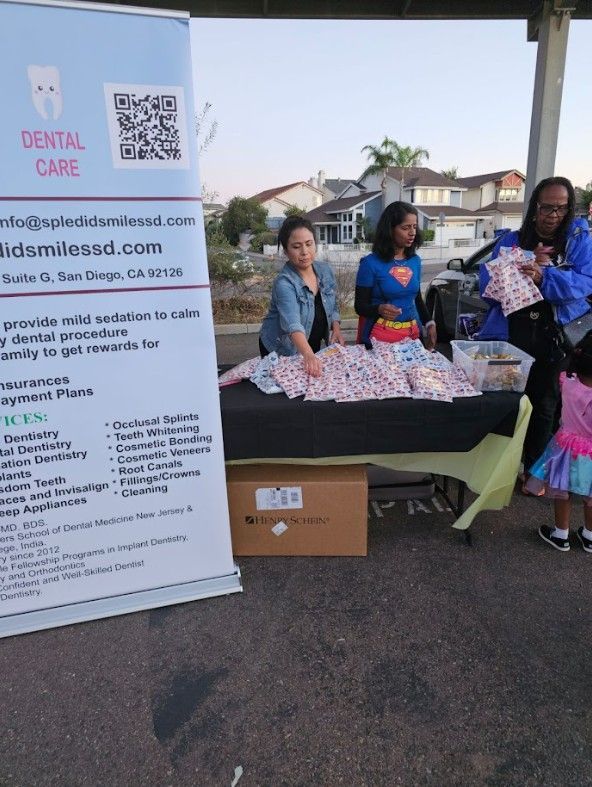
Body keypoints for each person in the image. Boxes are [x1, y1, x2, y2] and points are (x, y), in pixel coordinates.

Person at [479, 176, 592, 488]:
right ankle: (502, 469)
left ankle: (534, 470)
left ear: (569, 210)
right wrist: (509, 277)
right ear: (534, 208)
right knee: (507, 400)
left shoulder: (578, 242)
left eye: (560, 208)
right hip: (513, 331)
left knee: (544, 404)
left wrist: (545, 278)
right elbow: (486, 288)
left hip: (554, 334)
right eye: (546, 208)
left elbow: (585, 283)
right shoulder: (510, 241)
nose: (552, 215)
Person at [525, 331, 592, 553]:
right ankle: (590, 536)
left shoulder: (568, 383)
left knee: (562, 490)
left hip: (565, 448)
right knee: (591, 494)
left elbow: (563, 369)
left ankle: (560, 534)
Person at [259, 216, 344, 377]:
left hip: (312, 344)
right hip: (283, 347)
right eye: (297, 246)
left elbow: (333, 305)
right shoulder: (284, 283)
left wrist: (336, 328)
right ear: (286, 251)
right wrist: (308, 354)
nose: (304, 252)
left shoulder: (325, 271)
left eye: (309, 244)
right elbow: (293, 324)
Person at [354, 201, 436, 349]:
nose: (412, 233)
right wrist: (379, 309)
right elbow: (360, 306)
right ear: (390, 230)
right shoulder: (370, 263)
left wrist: (429, 323)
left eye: (414, 227)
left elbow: (416, 298)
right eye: (405, 228)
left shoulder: (415, 261)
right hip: (379, 339)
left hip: (413, 334)